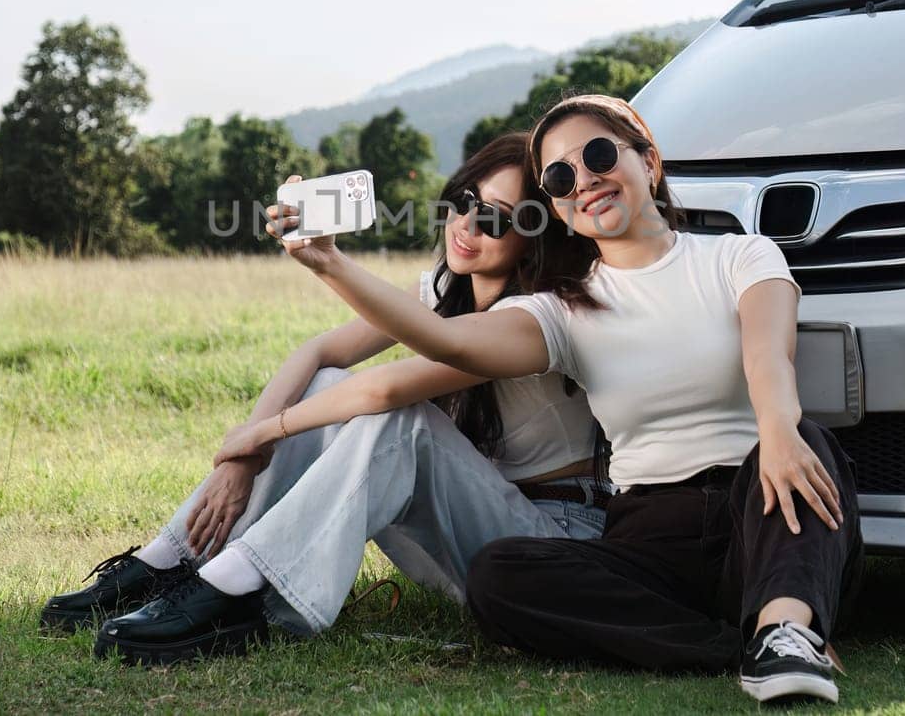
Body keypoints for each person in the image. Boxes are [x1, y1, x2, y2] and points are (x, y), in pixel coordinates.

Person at [255, 94, 863, 704]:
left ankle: (785, 631)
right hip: (648, 538)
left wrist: (778, 429)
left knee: (807, 443)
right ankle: (737, 645)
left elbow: (767, 356)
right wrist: (328, 263)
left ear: (648, 162)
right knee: (499, 576)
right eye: (560, 176)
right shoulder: (564, 309)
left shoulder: (738, 254)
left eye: (599, 154)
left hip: (761, 499)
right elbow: (443, 341)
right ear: (558, 209)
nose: (586, 180)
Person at [40, 132, 612, 666]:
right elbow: (317, 355)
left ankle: (239, 591)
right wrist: (240, 462)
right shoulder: (443, 293)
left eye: (495, 218)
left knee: (398, 422)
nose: (468, 223)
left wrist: (262, 433)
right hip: (470, 533)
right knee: (328, 389)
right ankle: (172, 560)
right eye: (465, 200)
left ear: (537, 235)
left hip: (546, 549)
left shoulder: (534, 319)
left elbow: (385, 389)